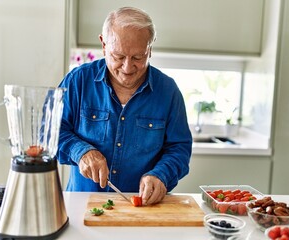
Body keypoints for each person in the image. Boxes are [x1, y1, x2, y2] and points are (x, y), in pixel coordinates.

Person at [56, 6, 192, 205]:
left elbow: (179, 148)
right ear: (103, 45)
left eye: (138, 57)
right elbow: (50, 133)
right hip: (82, 205)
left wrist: (161, 175)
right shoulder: (77, 81)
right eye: (118, 56)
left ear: (150, 48)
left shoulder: (169, 91)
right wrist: (81, 151)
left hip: (144, 209)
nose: (127, 68)